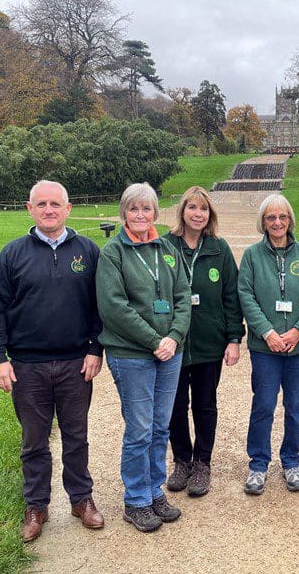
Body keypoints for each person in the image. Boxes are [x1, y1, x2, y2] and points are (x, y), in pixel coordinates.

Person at [0, 180, 104, 543]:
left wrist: (96, 348)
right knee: (34, 440)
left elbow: (103, 306)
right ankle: (36, 506)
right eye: (42, 204)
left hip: (75, 364)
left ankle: (81, 500)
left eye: (56, 204)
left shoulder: (88, 251)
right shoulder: (12, 254)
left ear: (68, 209)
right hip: (27, 366)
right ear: (29, 209)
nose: (49, 210)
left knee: (76, 437)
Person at [96, 182, 191, 532]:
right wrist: (155, 340)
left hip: (170, 353)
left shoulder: (166, 248)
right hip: (133, 354)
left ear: (155, 213)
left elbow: (182, 295)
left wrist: (175, 336)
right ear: (124, 213)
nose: (140, 215)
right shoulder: (113, 253)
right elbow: (114, 307)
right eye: (133, 209)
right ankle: (135, 499)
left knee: (160, 427)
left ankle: (154, 491)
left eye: (146, 209)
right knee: (139, 429)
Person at [238, 194, 299, 495]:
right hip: (266, 348)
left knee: (295, 406)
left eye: (282, 217)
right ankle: (258, 465)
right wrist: (268, 333)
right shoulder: (251, 256)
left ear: (290, 220)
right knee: (263, 405)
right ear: (263, 222)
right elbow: (246, 296)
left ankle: (291, 461)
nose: (277, 222)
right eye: (271, 218)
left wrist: (298, 331)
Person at [163, 186, 245, 498]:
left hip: (210, 342)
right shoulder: (165, 246)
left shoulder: (219, 249)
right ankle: (182, 460)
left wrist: (234, 338)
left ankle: (202, 463)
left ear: (210, 215)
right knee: (175, 404)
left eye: (204, 209)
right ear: (182, 211)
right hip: (174, 343)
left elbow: (231, 297)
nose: (198, 214)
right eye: (193, 208)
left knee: (205, 404)